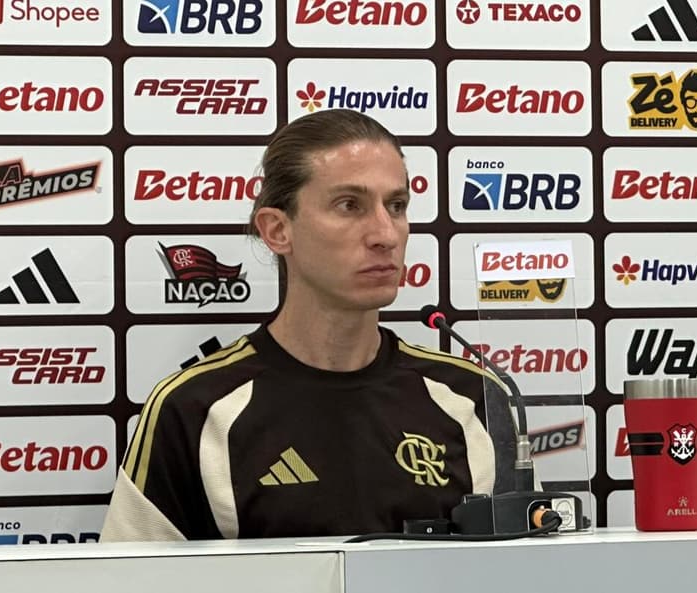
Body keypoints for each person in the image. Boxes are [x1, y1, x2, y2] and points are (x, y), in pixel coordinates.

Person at [100, 109, 516, 541]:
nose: (386, 234)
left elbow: (525, 566)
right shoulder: (195, 410)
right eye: (349, 205)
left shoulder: (474, 398)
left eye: (396, 206)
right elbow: (129, 574)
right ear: (278, 230)